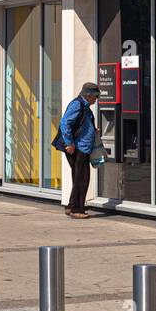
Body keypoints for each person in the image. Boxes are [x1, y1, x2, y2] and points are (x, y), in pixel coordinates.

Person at [59, 82, 100, 219]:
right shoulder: (78, 104)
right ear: (89, 95)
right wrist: (69, 143)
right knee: (81, 179)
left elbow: (82, 123)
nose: (96, 99)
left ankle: (72, 206)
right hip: (78, 147)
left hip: (83, 147)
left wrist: (93, 131)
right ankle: (77, 209)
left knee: (79, 178)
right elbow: (65, 123)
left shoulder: (85, 106)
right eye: (96, 96)